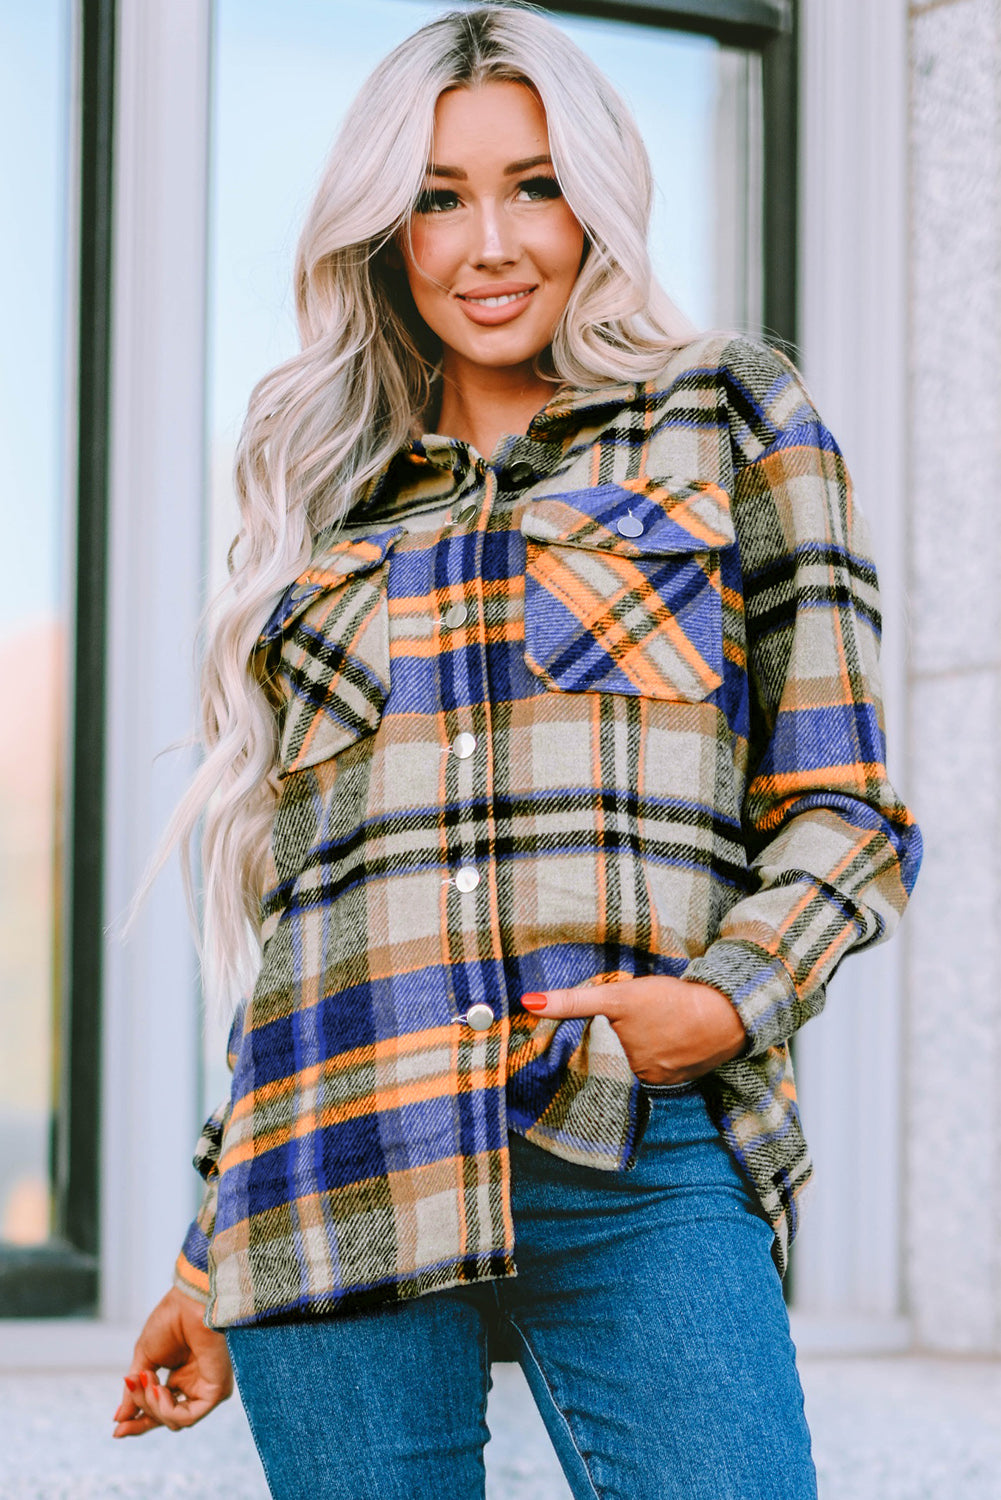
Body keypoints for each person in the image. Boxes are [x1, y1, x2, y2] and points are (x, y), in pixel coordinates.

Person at [111, 6, 921, 1497]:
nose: (489, 241)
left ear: (595, 197)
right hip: (332, 1150)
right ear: (382, 229)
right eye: (436, 195)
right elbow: (310, 923)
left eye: (532, 184)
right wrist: (200, 1240)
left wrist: (722, 1004)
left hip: (631, 1136)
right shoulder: (332, 502)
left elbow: (846, 810)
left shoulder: (731, 415)